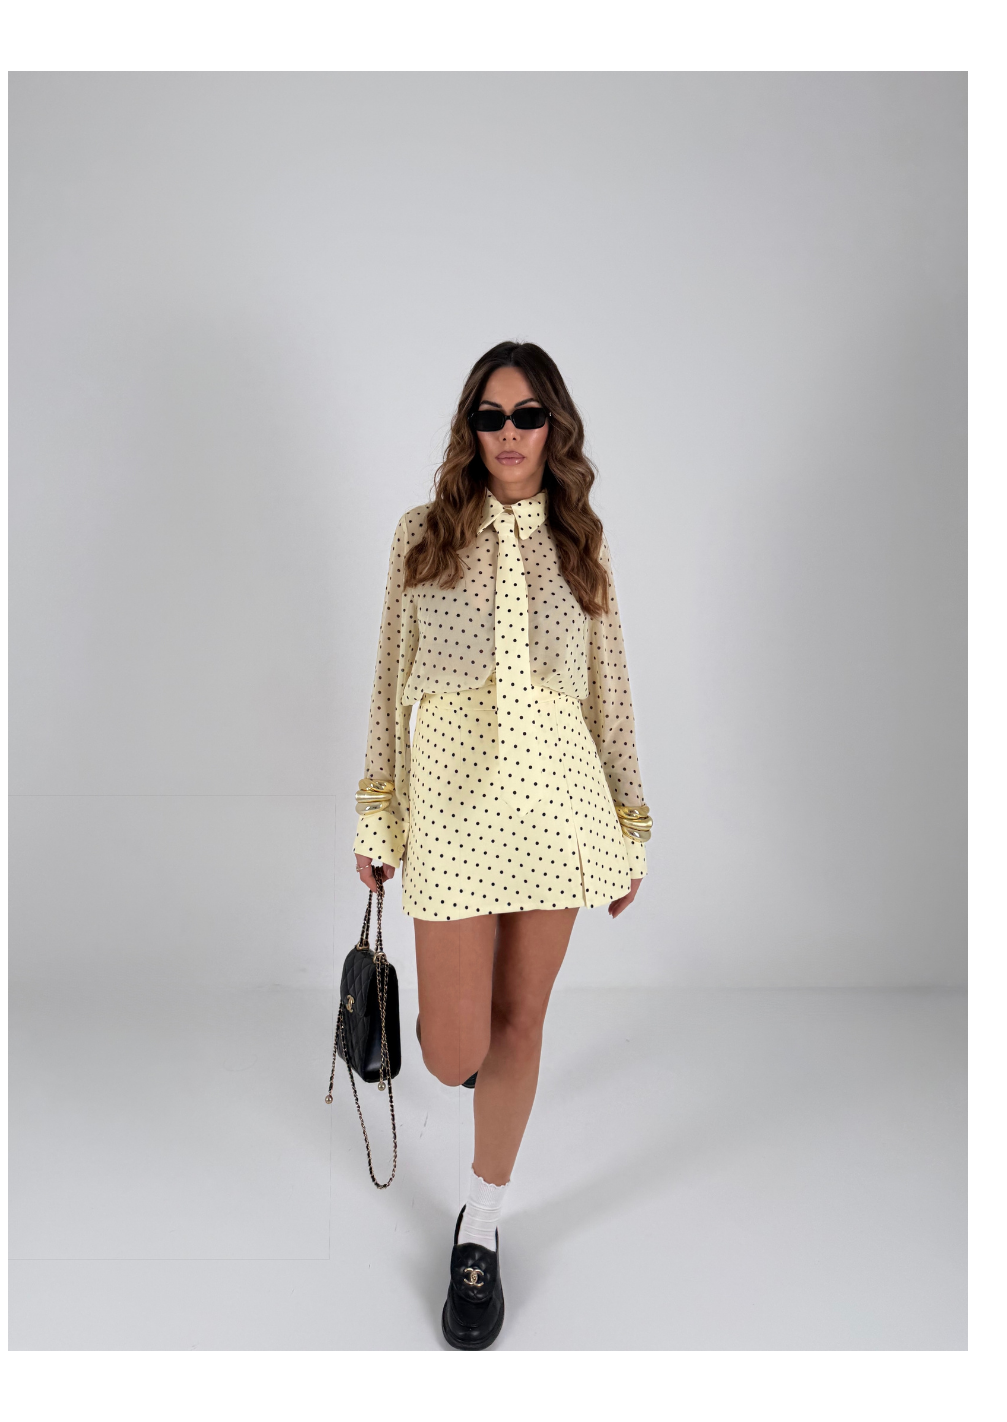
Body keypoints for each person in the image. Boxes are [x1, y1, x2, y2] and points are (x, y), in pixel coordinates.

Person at [352, 340, 651, 1349]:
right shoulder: (423, 533)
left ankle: (480, 1222)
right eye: (491, 416)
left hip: (558, 808)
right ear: (469, 429)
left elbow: (610, 691)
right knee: (451, 1052)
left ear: (553, 426)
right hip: (450, 811)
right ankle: (477, 1069)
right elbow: (386, 681)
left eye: (527, 415)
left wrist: (628, 825)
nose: (510, 433)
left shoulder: (580, 541)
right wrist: (376, 815)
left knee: (521, 1025)